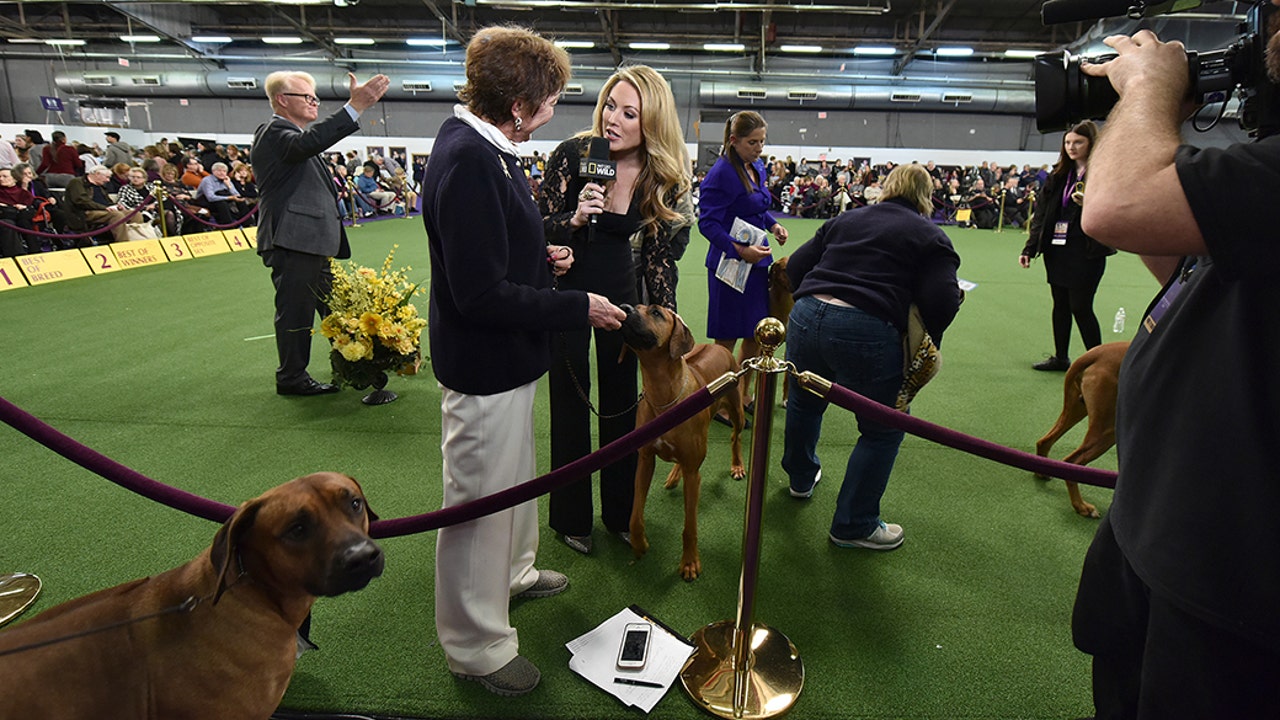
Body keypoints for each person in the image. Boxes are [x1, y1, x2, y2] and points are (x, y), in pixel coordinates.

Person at [1069, 24, 1280, 718]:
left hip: (1227, 583)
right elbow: (1188, 267)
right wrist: (1149, 122)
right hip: (1164, 530)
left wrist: (1151, 93)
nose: (1265, 28)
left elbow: (1115, 208)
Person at [423, 25, 626, 697]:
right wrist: (576, 305)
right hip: (484, 362)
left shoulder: (490, 148)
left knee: (513, 482)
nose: (554, 112)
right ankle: (475, 646)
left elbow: (488, 251)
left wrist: (543, 252)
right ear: (519, 105)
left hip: (508, 358)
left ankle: (512, 574)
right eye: (550, 98)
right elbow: (478, 293)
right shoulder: (471, 159)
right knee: (479, 505)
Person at [538, 64, 693, 555]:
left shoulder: (659, 173)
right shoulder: (572, 154)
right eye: (610, 105)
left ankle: (622, 512)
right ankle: (570, 519)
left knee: (624, 406)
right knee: (569, 400)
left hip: (624, 301)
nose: (614, 119)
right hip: (567, 293)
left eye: (630, 112)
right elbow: (540, 223)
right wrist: (572, 222)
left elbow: (659, 258)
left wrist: (669, 325)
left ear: (651, 121)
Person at [781, 164, 961, 551]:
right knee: (883, 428)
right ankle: (854, 523)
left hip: (806, 314)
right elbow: (944, 300)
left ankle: (800, 479)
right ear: (924, 196)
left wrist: (817, 303)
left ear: (888, 187)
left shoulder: (847, 218)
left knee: (804, 401)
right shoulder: (931, 235)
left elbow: (795, 267)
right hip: (867, 327)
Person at [251, 69, 390, 397]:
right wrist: (354, 108)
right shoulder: (274, 131)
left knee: (336, 309)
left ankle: (358, 365)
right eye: (307, 97)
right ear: (282, 100)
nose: (314, 102)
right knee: (296, 311)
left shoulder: (290, 136)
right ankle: (291, 377)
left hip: (308, 241)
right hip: (293, 239)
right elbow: (308, 143)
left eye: (315, 96)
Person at [697, 110, 788, 416]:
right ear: (733, 141)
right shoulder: (720, 174)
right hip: (729, 268)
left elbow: (758, 208)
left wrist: (774, 226)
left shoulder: (757, 167)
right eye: (753, 142)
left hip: (758, 265)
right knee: (726, 340)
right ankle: (721, 404)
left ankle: (742, 394)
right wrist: (738, 250)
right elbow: (707, 224)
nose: (759, 148)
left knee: (754, 333)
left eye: (762, 141)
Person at [1018, 120, 1114, 371]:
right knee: (1059, 304)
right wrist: (1030, 248)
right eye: (1068, 142)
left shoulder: (1104, 173)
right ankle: (1061, 358)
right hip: (1057, 250)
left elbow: (1115, 211)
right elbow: (1040, 215)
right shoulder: (1058, 175)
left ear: (1091, 143)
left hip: (1087, 251)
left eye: (1078, 142)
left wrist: (1089, 204)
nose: (1072, 147)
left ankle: (1097, 361)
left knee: (1081, 307)